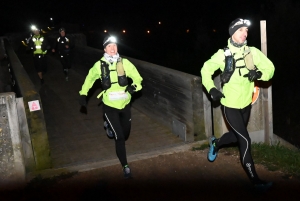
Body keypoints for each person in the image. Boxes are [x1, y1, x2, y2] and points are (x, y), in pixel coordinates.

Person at [201, 18, 275, 191]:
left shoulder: (253, 52)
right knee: (245, 140)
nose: (245, 34)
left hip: (246, 104)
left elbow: (270, 68)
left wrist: (258, 74)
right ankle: (256, 181)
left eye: (246, 31)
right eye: (241, 30)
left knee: (235, 137)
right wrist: (212, 89)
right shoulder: (223, 54)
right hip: (230, 105)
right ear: (232, 32)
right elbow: (205, 70)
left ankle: (216, 143)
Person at [78, 35, 143, 179]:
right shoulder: (98, 65)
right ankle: (125, 167)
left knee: (125, 134)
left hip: (125, 104)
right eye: (109, 46)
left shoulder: (125, 62)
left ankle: (109, 127)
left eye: (115, 45)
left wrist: (134, 87)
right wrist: (83, 94)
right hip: (109, 106)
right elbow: (89, 79)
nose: (113, 48)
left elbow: (138, 78)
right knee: (120, 137)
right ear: (105, 49)